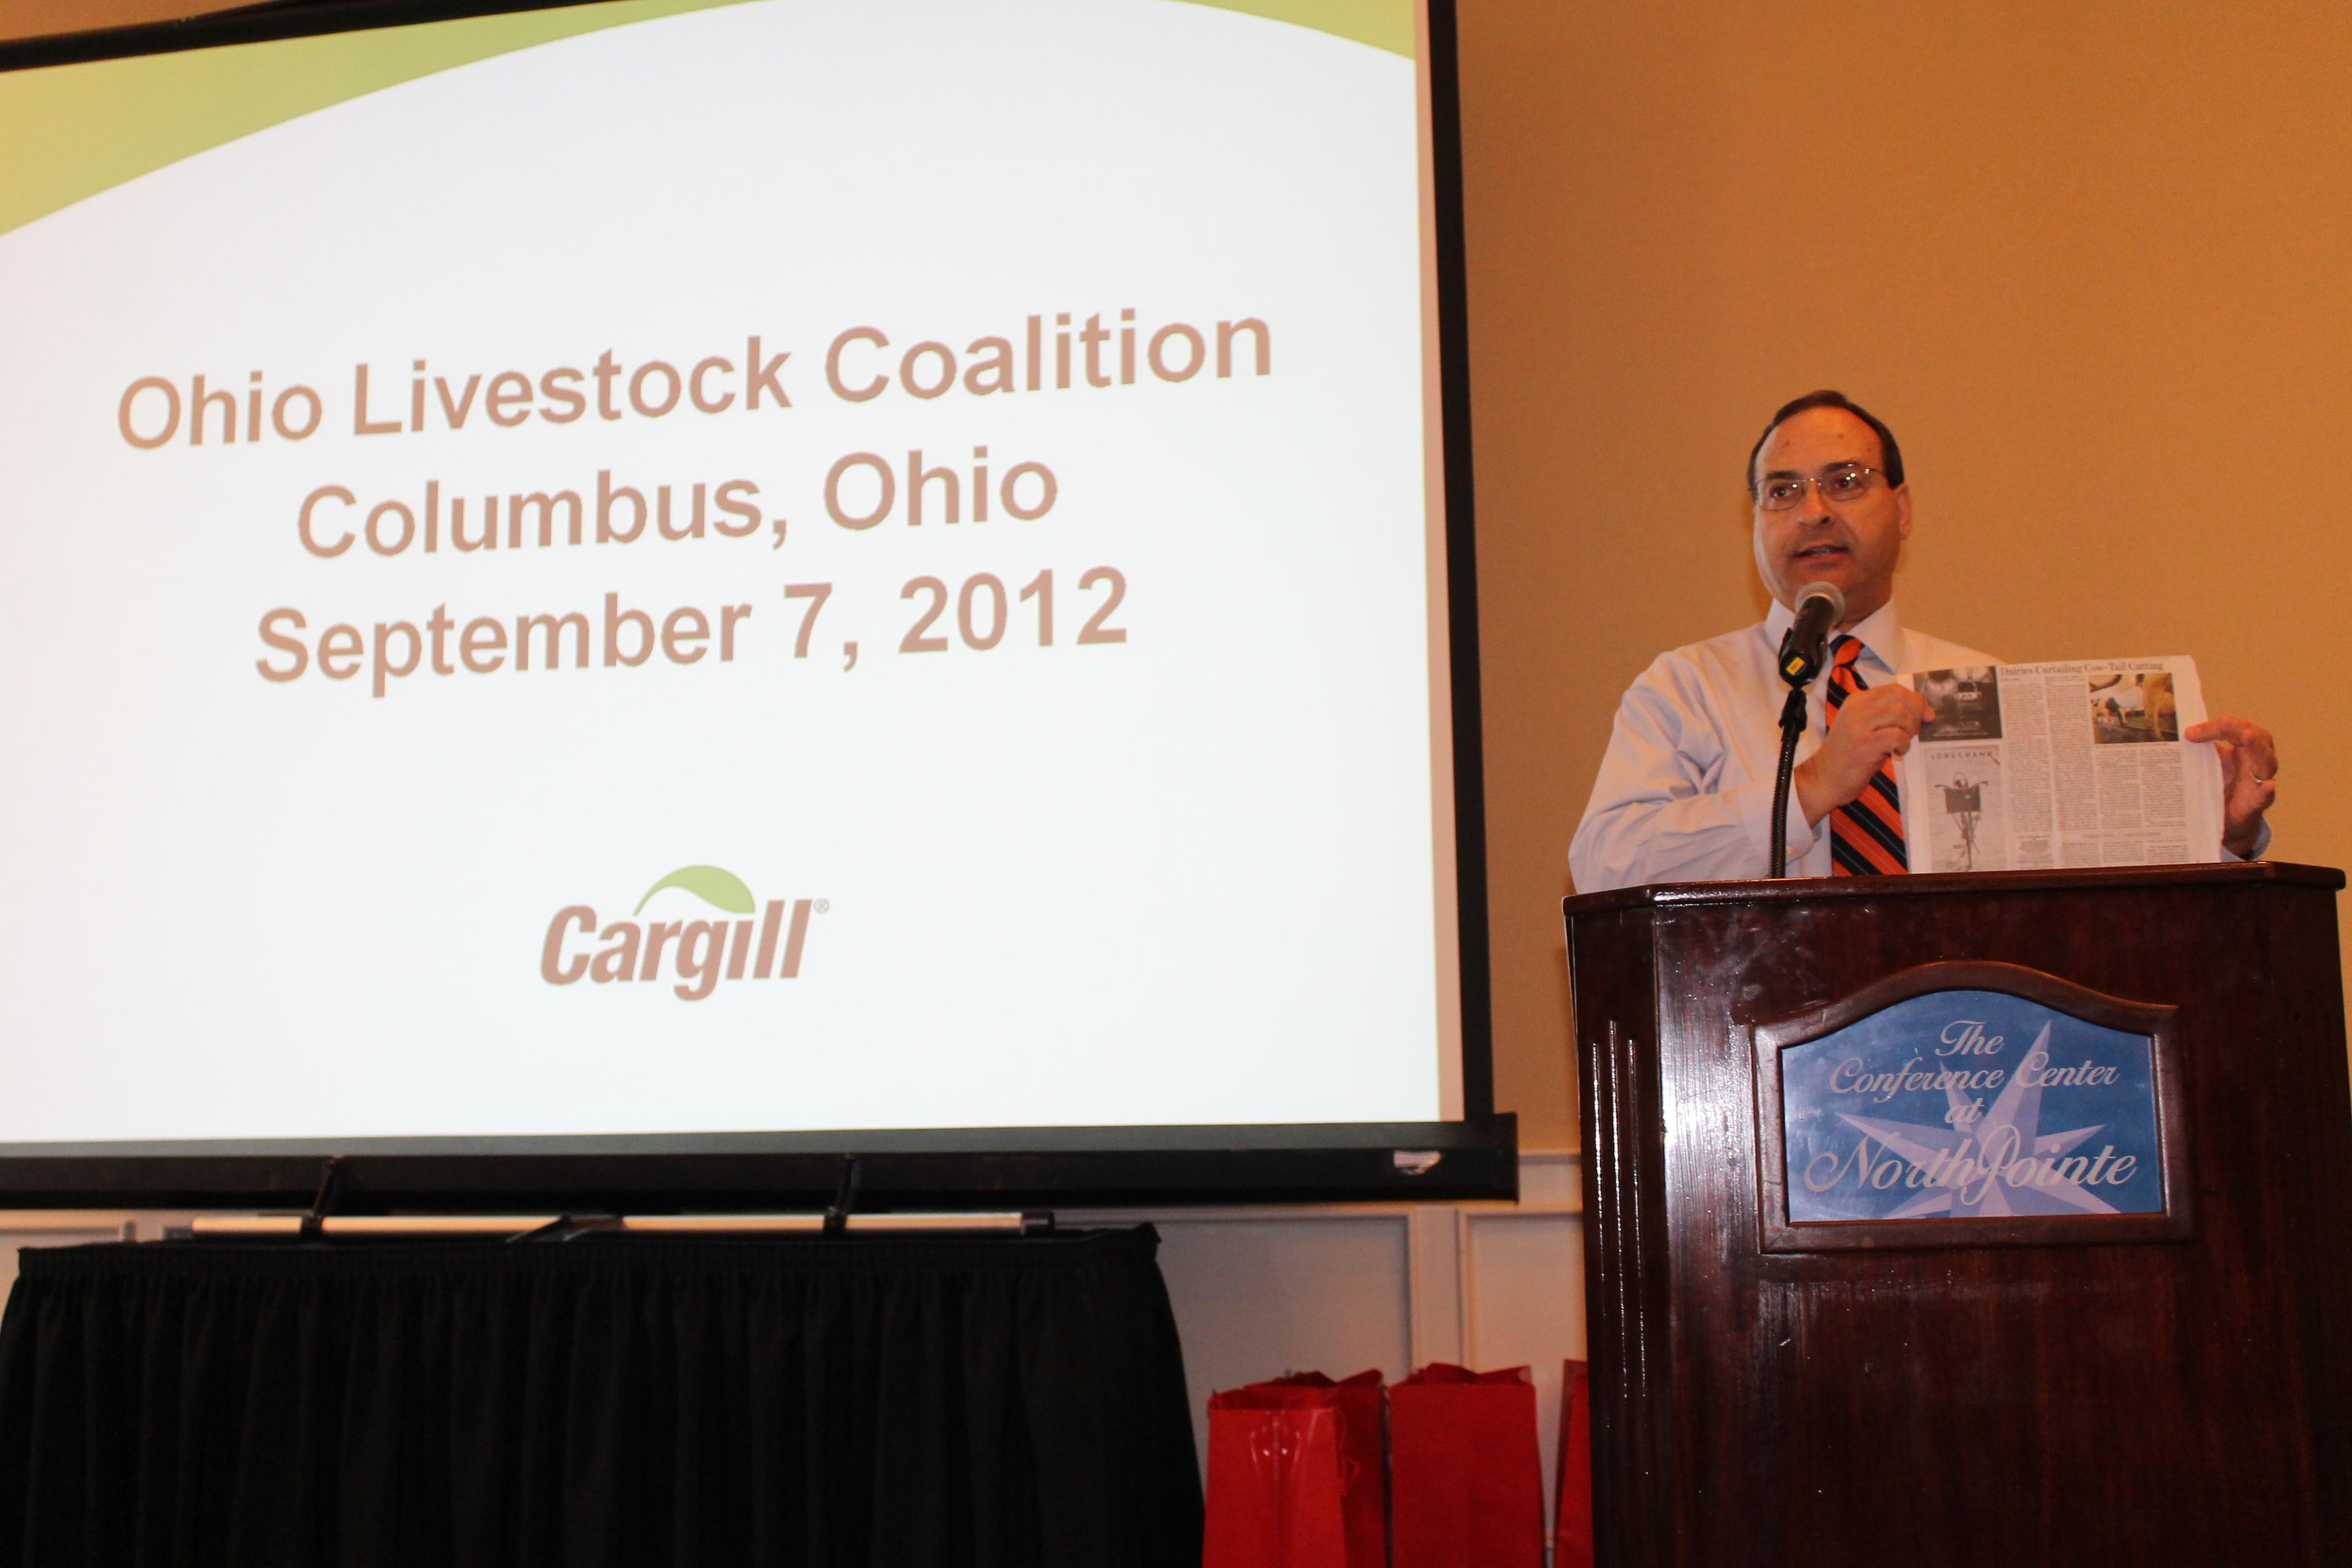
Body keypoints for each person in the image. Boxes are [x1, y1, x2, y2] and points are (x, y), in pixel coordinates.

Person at [1569, 391, 2277, 892]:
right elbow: (1604, 867)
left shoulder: (1989, 685)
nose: (1813, 512)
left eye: (1845, 482)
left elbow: (2079, 889)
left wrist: (2216, 831)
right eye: (1782, 491)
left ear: (1902, 511)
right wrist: (1811, 787)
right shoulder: (1687, 687)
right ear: (1755, 521)